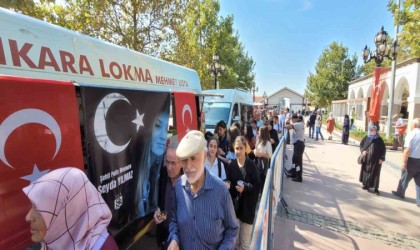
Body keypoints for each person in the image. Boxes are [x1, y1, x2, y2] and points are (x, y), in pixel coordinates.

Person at [167, 130, 238, 250]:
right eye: (184, 159)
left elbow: (232, 229)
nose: (188, 167)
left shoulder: (220, 191)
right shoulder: (179, 186)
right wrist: (174, 239)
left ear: (204, 156)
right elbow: (174, 220)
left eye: (193, 158)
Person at [23, 167, 118, 250]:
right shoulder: (53, 243)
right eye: (32, 207)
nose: (28, 217)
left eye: (40, 209)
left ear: (67, 213)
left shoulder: (104, 247)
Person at [225, 136, 261, 250]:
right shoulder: (232, 165)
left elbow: (257, 186)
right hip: (235, 210)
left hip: (247, 209)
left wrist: (245, 187)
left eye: (241, 148)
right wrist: (228, 185)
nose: (238, 151)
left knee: (245, 244)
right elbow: (229, 184)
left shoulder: (251, 165)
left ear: (245, 149)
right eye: (236, 148)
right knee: (234, 242)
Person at [154, 137, 183, 249]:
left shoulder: (189, 183)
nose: (169, 167)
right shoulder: (163, 174)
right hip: (163, 235)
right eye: (167, 161)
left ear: (181, 163)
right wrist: (157, 211)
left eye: (173, 163)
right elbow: (158, 199)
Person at [392, 118, 420, 207]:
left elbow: (407, 149)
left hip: (411, 160)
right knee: (419, 183)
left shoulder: (411, 134)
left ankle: (400, 193)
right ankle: (419, 201)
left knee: (405, 177)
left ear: (414, 125)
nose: (410, 126)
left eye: (411, 124)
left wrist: (404, 163)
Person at [359, 124, 386, 195]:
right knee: (366, 172)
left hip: (376, 161)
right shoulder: (366, 137)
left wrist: (382, 158)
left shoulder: (379, 139)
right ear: (370, 130)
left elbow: (383, 149)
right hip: (367, 159)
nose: (374, 132)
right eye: (372, 130)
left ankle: (376, 189)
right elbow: (361, 145)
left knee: (376, 174)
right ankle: (366, 185)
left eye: (375, 130)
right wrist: (363, 151)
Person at [284, 114, 306, 182]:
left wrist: (286, 123)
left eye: (292, 119)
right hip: (298, 144)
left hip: (298, 144)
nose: (292, 121)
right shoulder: (300, 123)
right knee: (294, 160)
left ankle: (298, 176)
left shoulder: (298, 124)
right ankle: (293, 173)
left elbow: (288, 126)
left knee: (297, 163)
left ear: (295, 119)